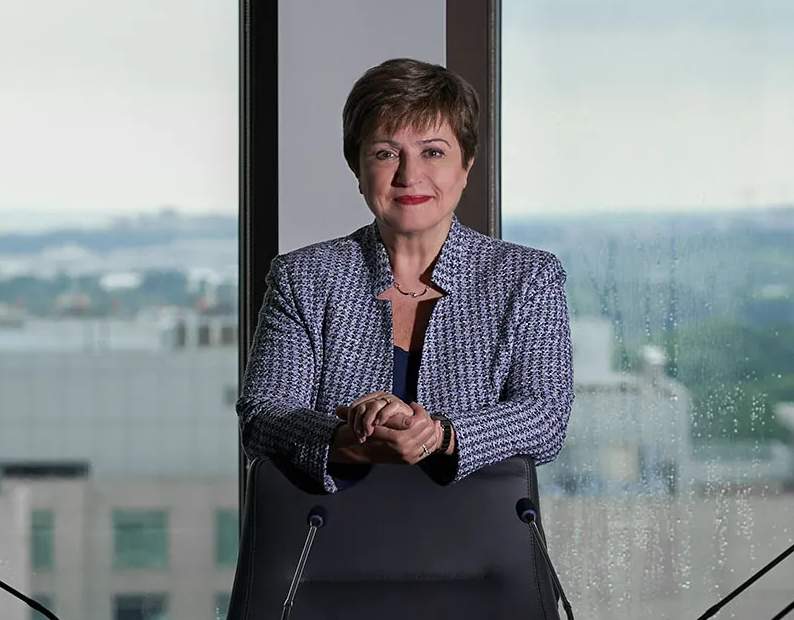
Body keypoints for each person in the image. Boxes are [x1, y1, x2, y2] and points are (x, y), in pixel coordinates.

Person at [239, 58, 573, 491]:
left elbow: (544, 416)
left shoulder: (527, 277)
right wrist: (350, 439)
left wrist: (439, 433)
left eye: (432, 152)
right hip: (331, 544)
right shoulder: (303, 278)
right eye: (385, 153)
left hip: (477, 547)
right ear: (357, 168)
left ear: (466, 165)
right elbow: (262, 416)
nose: (409, 175)